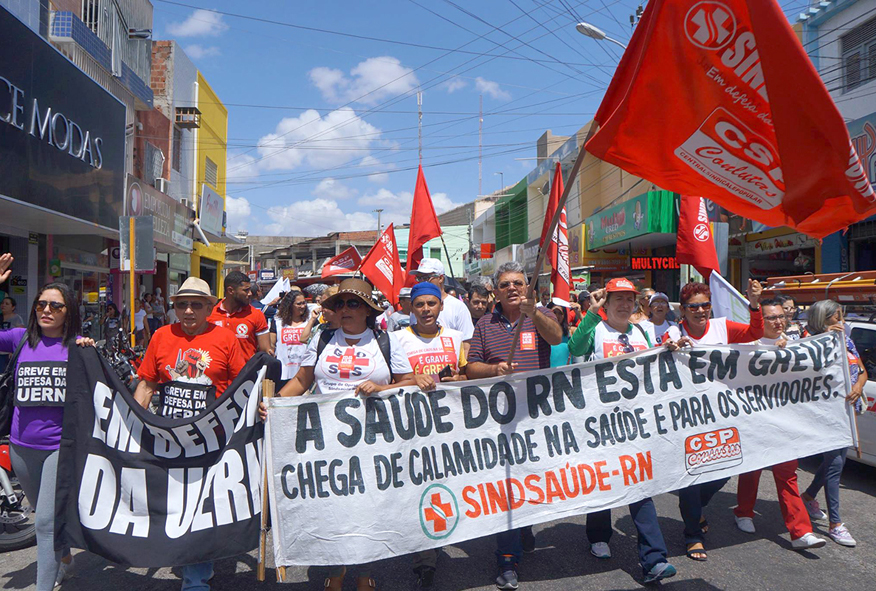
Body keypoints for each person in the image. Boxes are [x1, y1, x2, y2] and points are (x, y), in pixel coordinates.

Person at [265, 278, 416, 591]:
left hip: (374, 442)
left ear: (367, 310)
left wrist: (381, 388)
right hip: (327, 443)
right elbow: (302, 381)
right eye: (340, 304)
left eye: (354, 303)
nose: (345, 309)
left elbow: (409, 381)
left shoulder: (385, 342)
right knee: (333, 510)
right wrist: (274, 403)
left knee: (369, 510)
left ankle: (364, 574)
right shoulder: (322, 340)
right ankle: (335, 572)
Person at [134, 277, 248, 591]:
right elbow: (146, 384)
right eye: (181, 304)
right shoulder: (160, 336)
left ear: (209, 308)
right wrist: (128, 421)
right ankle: (195, 563)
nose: (187, 311)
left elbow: (243, 386)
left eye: (195, 304)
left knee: (199, 504)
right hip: (170, 440)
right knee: (178, 503)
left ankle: (195, 578)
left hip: (212, 439)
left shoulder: (226, 339)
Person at [566, 278, 677, 584]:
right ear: (607, 302)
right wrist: (593, 311)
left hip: (637, 425)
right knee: (604, 482)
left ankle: (654, 559)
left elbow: (654, 365)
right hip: (601, 424)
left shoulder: (641, 331)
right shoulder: (597, 330)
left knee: (641, 488)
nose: (625, 304)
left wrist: (670, 350)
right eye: (618, 299)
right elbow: (575, 347)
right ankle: (599, 535)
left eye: (630, 299)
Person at [465, 261, 562, 590]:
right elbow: (470, 367)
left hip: (536, 417)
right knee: (503, 485)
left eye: (518, 283)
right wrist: (493, 371)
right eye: (505, 284)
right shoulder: (485, 324)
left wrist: (534, 314)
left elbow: (558, 337)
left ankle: (524, 527)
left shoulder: (540, 314)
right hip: (498, 419)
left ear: (527, 287)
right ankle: (507, 559)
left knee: (531, 479)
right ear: (496, 290)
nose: (512, 288)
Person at [664, 279, 764, 561]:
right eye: (693, 306)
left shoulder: (722, 326)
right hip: (687, 418)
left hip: (721, 415)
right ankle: (692, 535)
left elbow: (754, 331)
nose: (700, 311)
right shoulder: (675, 330)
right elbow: (664, 346)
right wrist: (671, 347)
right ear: (683, 310)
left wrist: (754, 305)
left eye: (705, 304)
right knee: (691, 478)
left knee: (723, 471)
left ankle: (695, 511)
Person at [3, 280, 94, 590]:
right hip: (21, 449)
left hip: (59, 448)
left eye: (56, 306)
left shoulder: (78, 347)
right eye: (41, 304)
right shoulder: (19, 339)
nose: (46, 310)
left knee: (43, 522)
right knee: (49, 519)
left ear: (68, 312)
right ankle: (64, 557)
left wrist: (91, 352)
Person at [732, 298, 827, 550]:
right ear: (759, 320)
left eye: (780, 317)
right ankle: (743, 511)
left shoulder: (795, 345)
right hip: (754, 422)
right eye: (771, 317)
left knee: (787, 476)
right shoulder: (745, 346)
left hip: (785, 424)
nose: (778, 322)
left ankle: (800, 532)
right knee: (751, 470)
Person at [394, 281, 467, 589]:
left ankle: (449, 535)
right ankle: (425, 559)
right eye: (420, 304)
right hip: (414, 428)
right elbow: (396, 381)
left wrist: (459, 377)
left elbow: (465, 375)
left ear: (440, 307)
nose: (425, 310)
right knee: (422, 491)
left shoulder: (454, 337)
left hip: (451, 426)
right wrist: (415, 378)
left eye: (431, 304)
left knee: (452, 486)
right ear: (411, 308)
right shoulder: (398, 339)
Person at [799, 299, 867, 548]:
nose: (841, 321)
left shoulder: (846, 340)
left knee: (834, 461)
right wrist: (824, 339)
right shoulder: (809, 341)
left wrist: (859, 387)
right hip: (826, 413)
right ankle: (835, 524)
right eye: (836, 317)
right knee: (836, 464)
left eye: (842, 316)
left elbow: (860, 370)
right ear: (822, 319)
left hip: (846, 411)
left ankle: (807, 497)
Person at [208, 270, 271, 359]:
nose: (250, 294)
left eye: (249, 289)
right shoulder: (210, 314)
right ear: (230, 290)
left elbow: (265, 351)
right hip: (217, 371)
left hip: (246, 372)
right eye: (246, 290)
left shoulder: (256, 315)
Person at [410, 258, 474, 343]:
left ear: (440, 278)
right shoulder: (417, 308)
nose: (422, 282)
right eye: (419, 278)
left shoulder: (458, 307)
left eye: (426, 278)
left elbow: (466, 343)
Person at [270, 290, 318, 388]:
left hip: (305, 372)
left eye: (304, 303)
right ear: (290, 305)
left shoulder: (311, 320)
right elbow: (271, 344)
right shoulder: (278, 322)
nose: (303, 306)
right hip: (283, 372)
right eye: (299, 304)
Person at [0, 296, 25, 373]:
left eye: (7, 304)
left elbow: (20, 336)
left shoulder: (17, 318)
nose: (3, 305)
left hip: (8, 353)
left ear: (13, 307)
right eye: (2, 303)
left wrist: (13, 350)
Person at [547, 302, 572, 367]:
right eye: (554, 312)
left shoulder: (570, 331)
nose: (557, 316)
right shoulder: (541, 332)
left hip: (566, 372)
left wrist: (578, 313)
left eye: (560, 313)